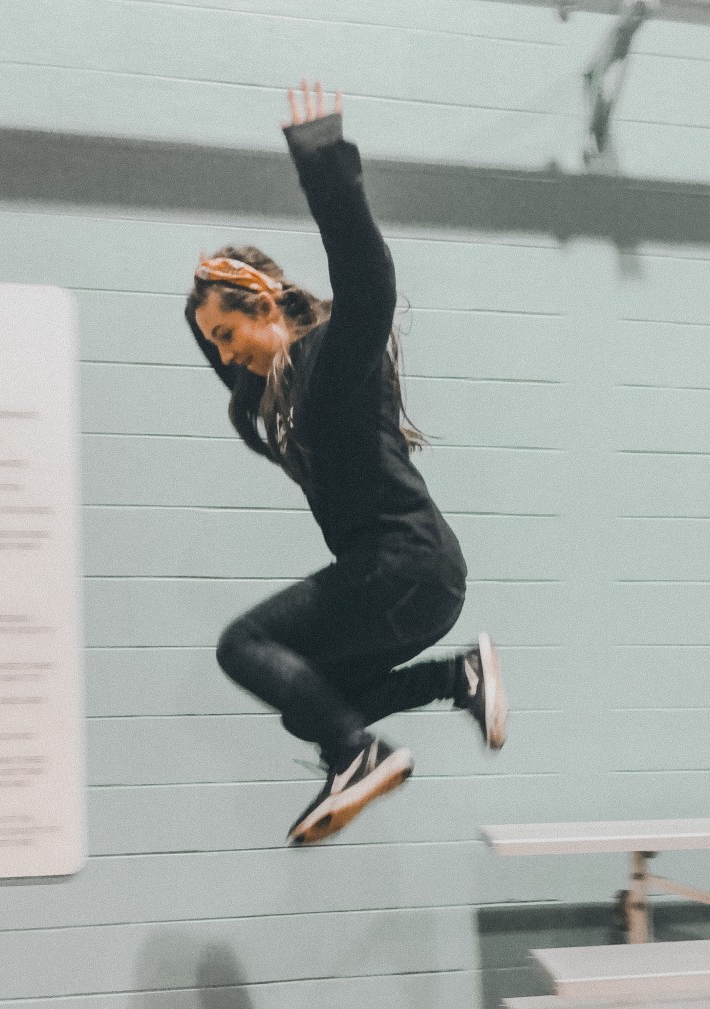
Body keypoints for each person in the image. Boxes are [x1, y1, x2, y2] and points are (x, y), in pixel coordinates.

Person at [185, 79, 507, 846]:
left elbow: (367, 281)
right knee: (308, 703)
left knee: (243, 645)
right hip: (412, 581)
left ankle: (358, 757)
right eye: (213, 347)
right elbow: (241, 379)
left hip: (405, 566)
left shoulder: (333, 359)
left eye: (227, 335)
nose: (225, 357)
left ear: (265, 305)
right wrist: (208, 314)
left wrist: (324, 163)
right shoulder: (283, 396)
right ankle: (456, 677)